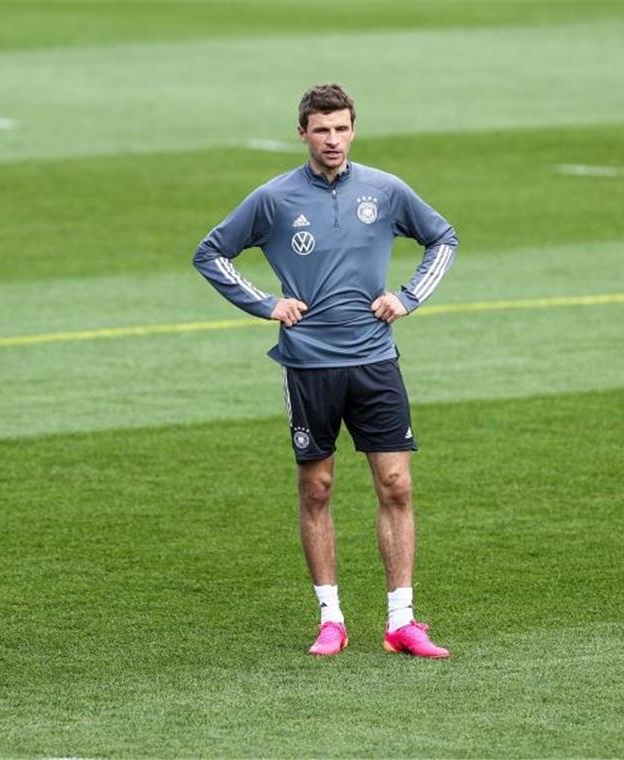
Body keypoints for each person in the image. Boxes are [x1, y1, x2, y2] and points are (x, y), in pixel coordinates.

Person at [193, 83, 457, 658]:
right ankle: (331, 617)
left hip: (375, 360)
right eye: (322, 130)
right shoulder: (273, 198)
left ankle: (401, 621)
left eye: (341, 129)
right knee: (318, 487)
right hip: (308, 364)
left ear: (353, 129)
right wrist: (267, 303)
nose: (332, 140)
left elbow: (443, 238)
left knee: (396, 484)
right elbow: (210, 253)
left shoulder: (385, 191)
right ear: (303, 134)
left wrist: (408, 297)